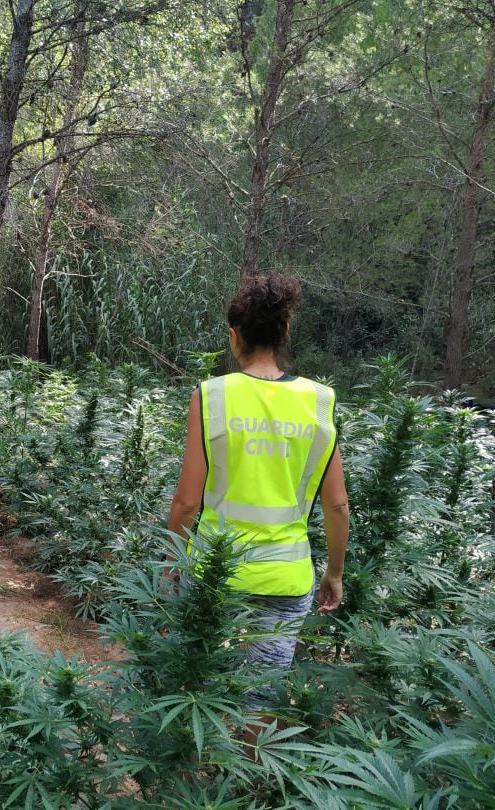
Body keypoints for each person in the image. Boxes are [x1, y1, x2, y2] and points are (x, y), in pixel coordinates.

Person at [166, 273, 349, 755]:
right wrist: (334, 572)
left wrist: (168, 565)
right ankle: (243, 779)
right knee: (261, 695)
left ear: (234, 334)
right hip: (285, 577)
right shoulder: (319, 401)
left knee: (197, 683)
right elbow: (336, 503)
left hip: (213, 571)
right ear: (286, 331)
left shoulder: (212, 396)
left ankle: (190, 779)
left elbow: (187, 501)